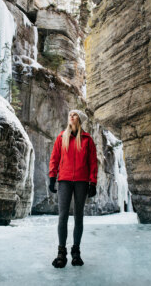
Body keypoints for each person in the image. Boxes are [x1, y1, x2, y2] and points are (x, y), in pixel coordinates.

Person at [48, 109, 98, 268]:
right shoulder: (61, 137)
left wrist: (93, 182)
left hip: (82, 182)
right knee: (63, 216)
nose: (71, 116)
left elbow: (92, 162)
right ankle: (61, 253)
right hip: (64, 181)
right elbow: (54, 158)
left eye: (75, 115)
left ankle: (76, 252)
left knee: (78, 216)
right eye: (70, 114)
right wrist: (52, 177)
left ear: (80, 120)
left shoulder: (87, 140)